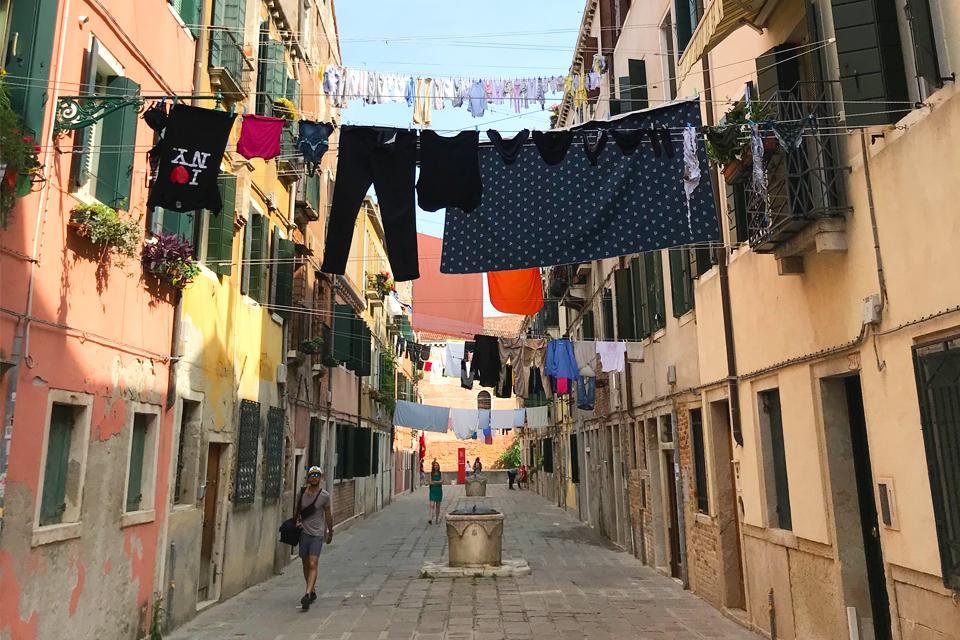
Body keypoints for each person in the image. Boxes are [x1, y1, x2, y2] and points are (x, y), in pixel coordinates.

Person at [295, 466, 333, 611]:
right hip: (304, 533)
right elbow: (297, 510)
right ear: (308, 478)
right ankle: (312, 590)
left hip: (317, 534)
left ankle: (307, 594)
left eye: (317, 475)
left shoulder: (324, 495)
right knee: (305, 563)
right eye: (312, 475)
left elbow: (328, 514)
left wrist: (330, 531)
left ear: (321, 478)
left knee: (312, 563)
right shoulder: (303, 493)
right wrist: (296, 521)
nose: (315, 477)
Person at [428, 459, 443, 524]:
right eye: (435, 465)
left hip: (439, 491)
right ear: (433, 466)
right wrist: (437, 482)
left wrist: (435, 482)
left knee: (438, 506)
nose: (436, 466)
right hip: (433, 490)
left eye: (437, 465)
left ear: (438, 466)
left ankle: (437, 518)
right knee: (431, 505)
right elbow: (430, 482)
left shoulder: (441, 473)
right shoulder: (431, 474)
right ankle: (430, 518)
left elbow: (442, 481)